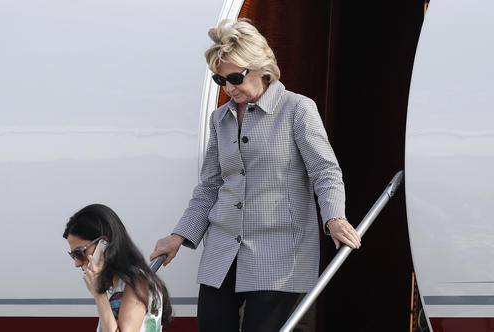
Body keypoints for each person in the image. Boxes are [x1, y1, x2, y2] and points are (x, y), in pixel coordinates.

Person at [150, 19, 361, 332]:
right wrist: (178, 236)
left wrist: (334, 219)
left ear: (262, 68)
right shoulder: (219, 119)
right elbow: (210, 186)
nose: (229, 87)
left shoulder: (297, 110)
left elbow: (326, 172)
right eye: (220, 80)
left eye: (235, 77)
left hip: (279, 255)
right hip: (222, 252)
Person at [64, 204, 172, 332]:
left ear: (103, 244)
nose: (77, 263)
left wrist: (99, 294)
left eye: (79, 253)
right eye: (73, 255)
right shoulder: (124, 283)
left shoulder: (136, 282)